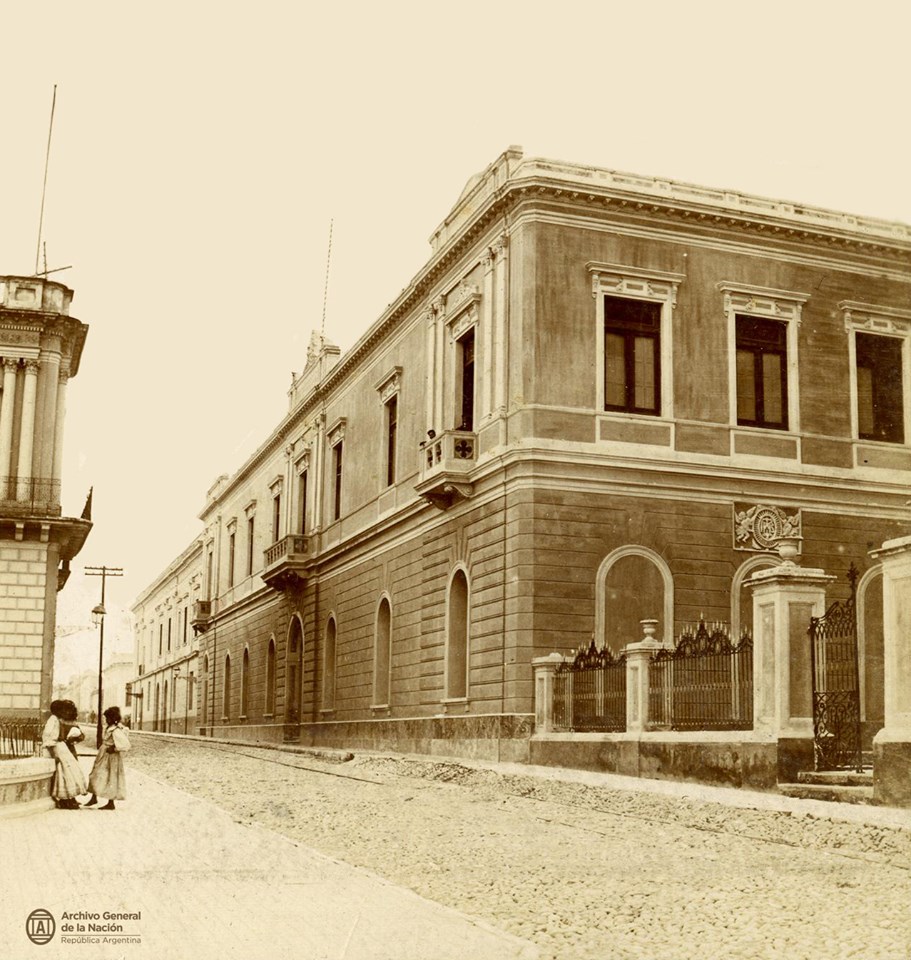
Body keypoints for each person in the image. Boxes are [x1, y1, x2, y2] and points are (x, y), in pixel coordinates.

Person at [41, 699, 88, 809]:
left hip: (62, 748)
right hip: (57, 748)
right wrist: (55, 754)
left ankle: (70, 798)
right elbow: (49, 738)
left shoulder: (58, 719)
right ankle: (64, 800)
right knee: (64, 774)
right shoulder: (53, 720)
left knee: (69, 773)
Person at [85, 706, 130, 810]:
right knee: (95, 774)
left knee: (111, 778)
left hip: (111, 757)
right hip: (103, 755)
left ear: (112, 718)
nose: (106, 720)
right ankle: (94, 797)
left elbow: (125, 744)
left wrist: (114, 748)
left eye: (107, 718)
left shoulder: (115, 730)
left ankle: (111, 803)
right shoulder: (109, 728)